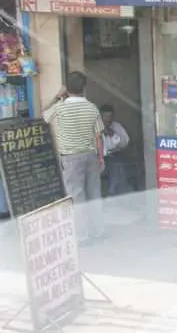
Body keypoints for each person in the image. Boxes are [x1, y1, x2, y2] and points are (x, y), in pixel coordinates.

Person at [43, 71, 105, 243]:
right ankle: (97, 231)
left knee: (76, 197)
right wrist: (101, 158)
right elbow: (98, 136)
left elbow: (44, 115)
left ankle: (82, 236)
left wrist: (57, 96)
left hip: (70, 158)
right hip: (90, 156)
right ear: (84, 88)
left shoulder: (60, 107)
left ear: (66, 89)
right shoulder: (92, 108)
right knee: (94, 193)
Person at [99, 104, 132, 196]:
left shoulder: (116, 126)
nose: (107, 119)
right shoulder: (95, 128)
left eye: (109, 116)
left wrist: (112, 134)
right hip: (98, 158)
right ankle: (112, 192)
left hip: (114, 155)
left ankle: (113, 192)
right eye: (105, 116)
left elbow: (125, 142)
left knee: (116, 164)